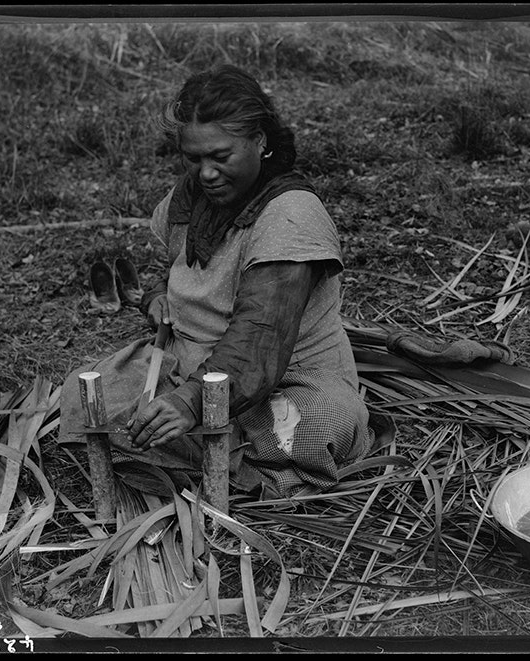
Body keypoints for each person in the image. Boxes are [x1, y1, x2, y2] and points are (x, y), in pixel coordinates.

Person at [60, 65, 386, 498]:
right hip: (186, 365)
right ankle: (217, 457)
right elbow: (175, 266)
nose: (206, 173)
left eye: (220, 156)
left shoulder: (291, 216)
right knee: (81, 394)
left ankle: (202, 456)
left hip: (284, 378)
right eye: (193, 158)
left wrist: (191, 401)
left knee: (317, 427)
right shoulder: (191, 196)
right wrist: (158, 296)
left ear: (260, 141)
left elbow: (260, 339)